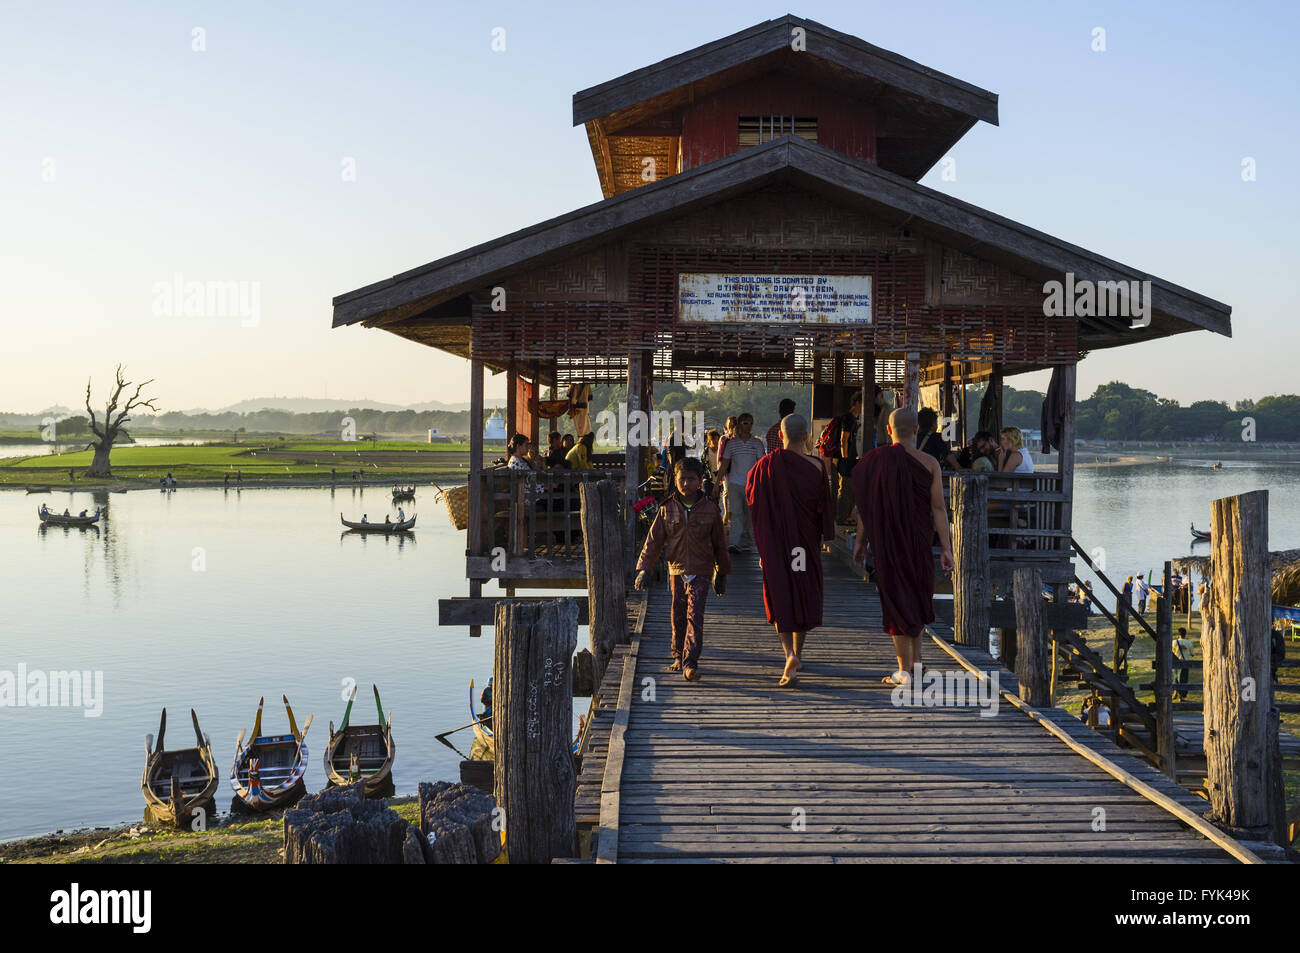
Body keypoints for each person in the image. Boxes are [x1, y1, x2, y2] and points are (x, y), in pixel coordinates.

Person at [853, 407, 955, 687]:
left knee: (897, 600)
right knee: (917, 594)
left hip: (886, 543)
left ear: (888, 430)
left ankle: (904, 670)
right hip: (919, 540)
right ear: (917, 430)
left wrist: (860, 542)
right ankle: (917, 661)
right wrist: (946, 548)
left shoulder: (872, 461)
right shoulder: (930, 462)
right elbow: (938, 508)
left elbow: (865, 507)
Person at [746, 414, 834, 686]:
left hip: (775, 545)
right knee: (803, 591)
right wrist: (824, 539)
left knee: (780, 593)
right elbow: (825, 508)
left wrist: (762, 548)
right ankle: (799, 652)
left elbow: (755, 510)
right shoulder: (818, 467)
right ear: (806, 435)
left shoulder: (761, 468)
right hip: (804, 546)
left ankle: (789, 654)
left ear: (780, 436)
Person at [634, 458, 731, 681]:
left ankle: (690, 663)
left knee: (695, 614)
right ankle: (677, 656)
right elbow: (653, 541)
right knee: (677, 614)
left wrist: (722, 573)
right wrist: (644, 569)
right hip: (676, 570)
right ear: (674, 481)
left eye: (691, 479)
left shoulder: (711, 510)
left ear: (700, 481)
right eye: (681, 479)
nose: (686, 483)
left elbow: (720, 544)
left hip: (703, 569)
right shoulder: (667, 508)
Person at [718, 413, 766, 553]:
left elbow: (761, 465)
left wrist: (763, 484)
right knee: (736, 513)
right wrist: (717, 484)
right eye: (745, 423)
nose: (749, 426)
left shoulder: (757, 443)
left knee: (750, 514)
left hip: (752, 485)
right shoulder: (731, 444)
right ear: (739, 424)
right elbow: (724, 464)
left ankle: (747, 541)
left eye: (751, 423)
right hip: (734, 483)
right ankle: (734, 542)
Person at [835, 392, 863, 525]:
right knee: (845, 489)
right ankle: (842, 517)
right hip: (846, 459)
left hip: (851, 459)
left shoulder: (856, 419)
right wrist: (845, 457)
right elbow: (843, 439)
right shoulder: (848, 418)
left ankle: (846, 516)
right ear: (857, 403)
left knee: (850, 489)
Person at [1174, 627, 1192, 700]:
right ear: (1185, 634)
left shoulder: (1174, 642)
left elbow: (1172, 651)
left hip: (1176, 662)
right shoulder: (1189, 643)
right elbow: (1192, 653)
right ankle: (1181, 696)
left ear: (1178, 634)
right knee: (1184, 679)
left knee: (1176, 678)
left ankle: (1175, 692)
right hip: (1185, 663)